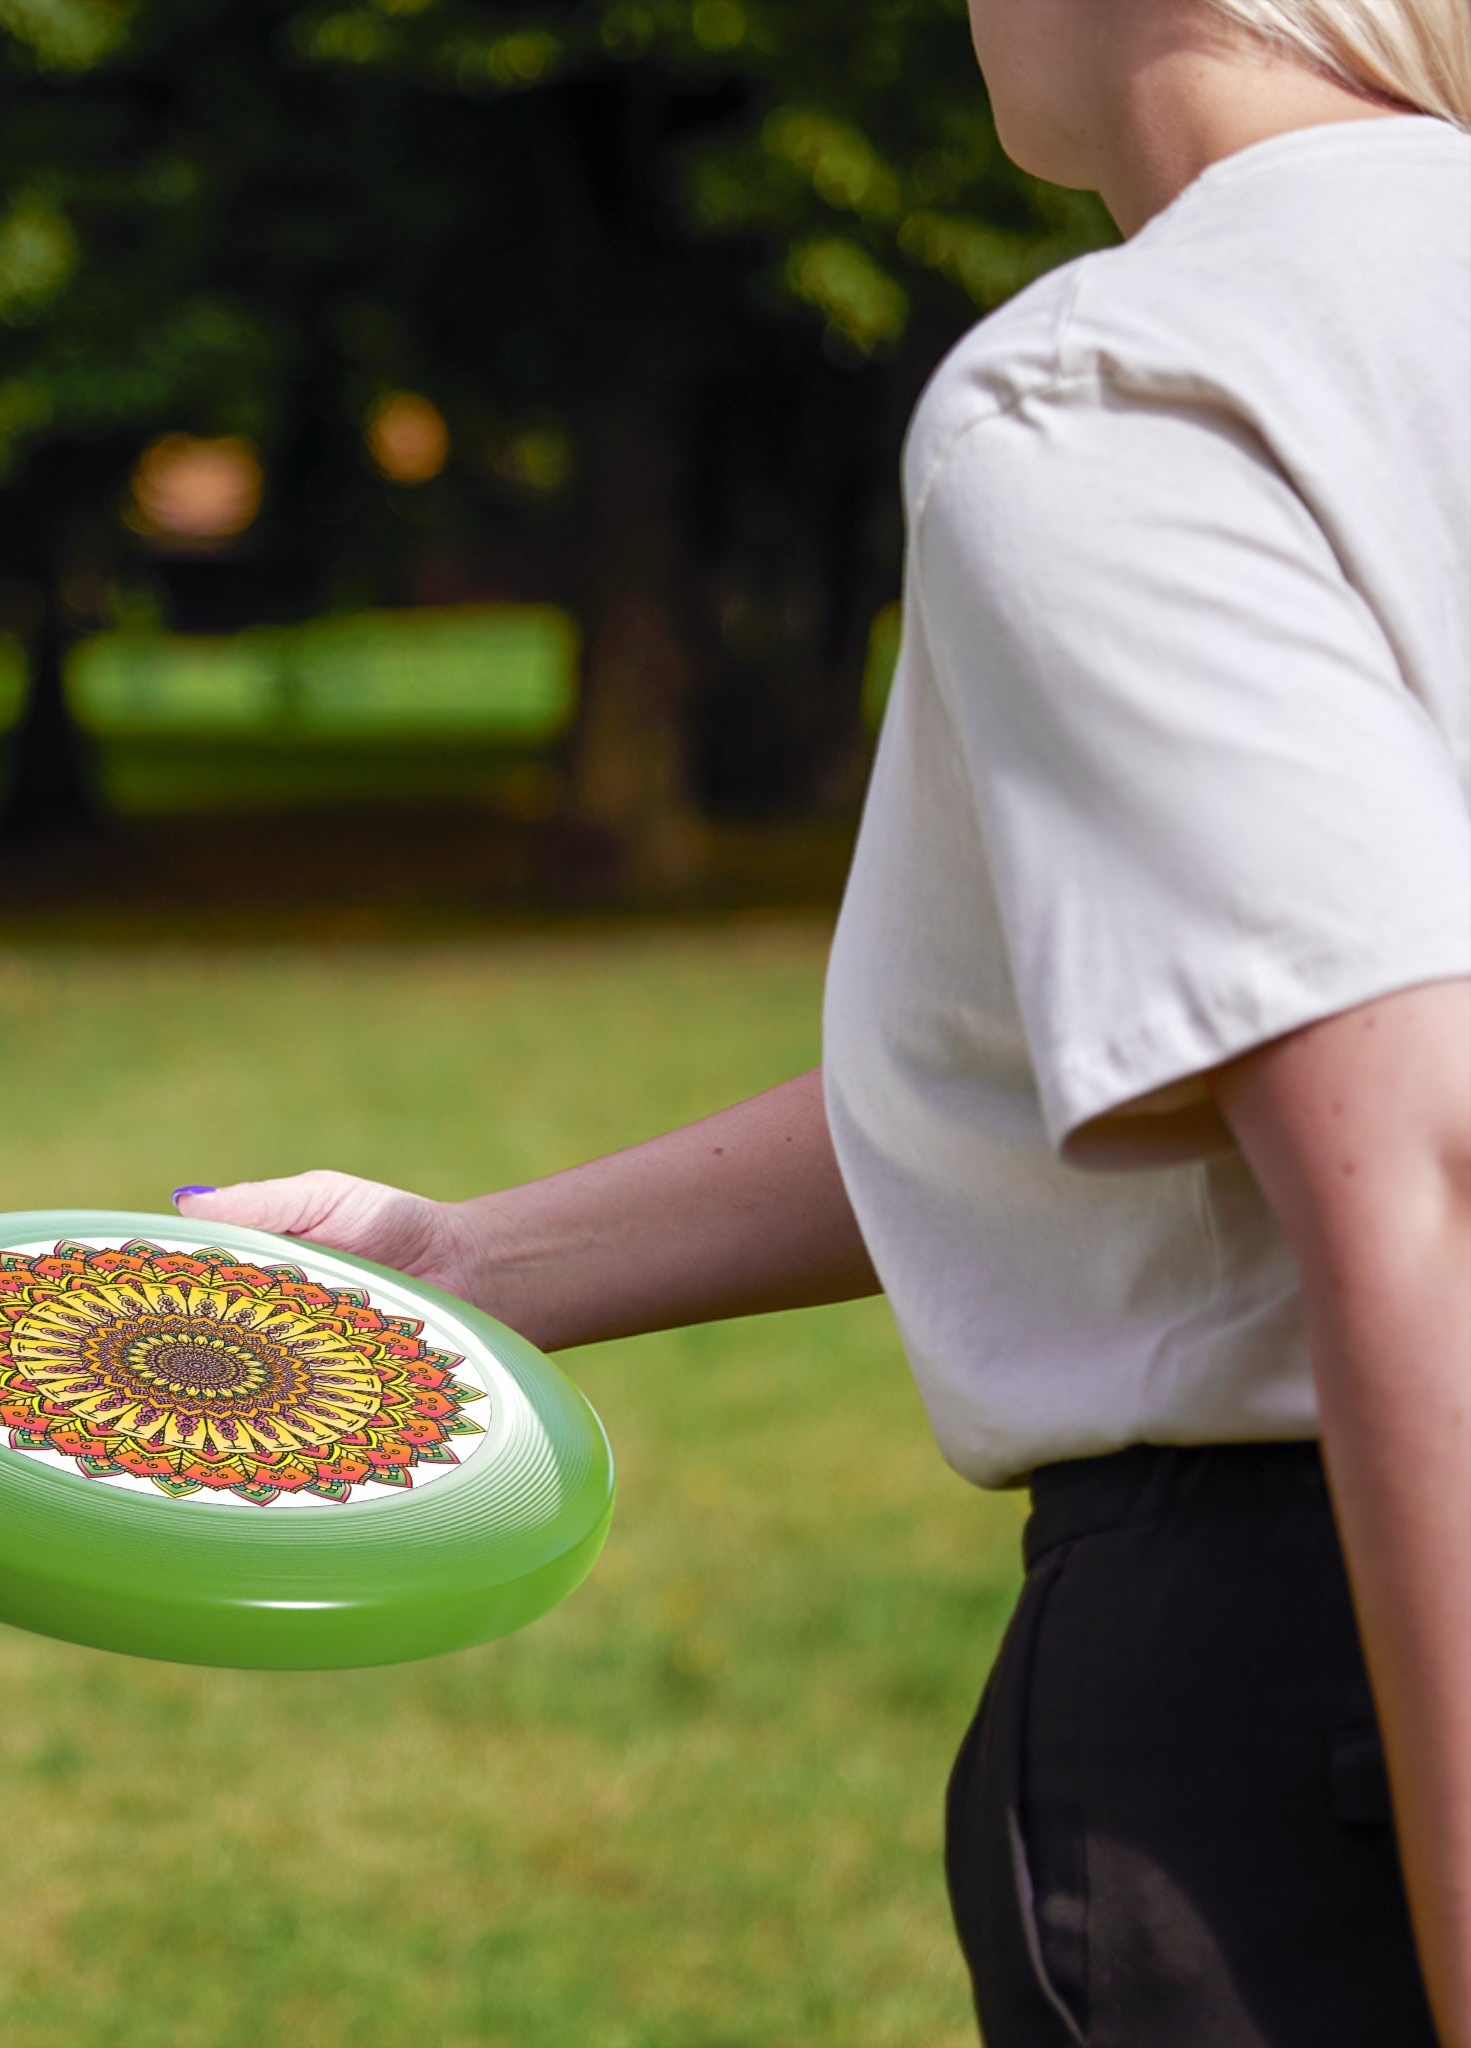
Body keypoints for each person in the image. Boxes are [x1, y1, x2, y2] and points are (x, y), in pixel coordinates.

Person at [170, 2, 1471, 2041]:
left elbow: (1421, 1167)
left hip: (1324, 1689)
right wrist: (468, 1260)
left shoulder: (1128, 383)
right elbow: (1146, 1050)